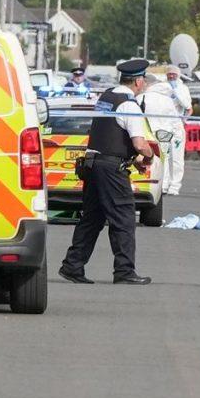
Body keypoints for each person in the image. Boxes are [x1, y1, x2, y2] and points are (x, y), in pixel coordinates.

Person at [59, 59, 154, 285]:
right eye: (145, 80)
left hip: (94, 164)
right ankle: (124, 271)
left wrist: (132, 159)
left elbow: (111, 134)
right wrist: (148, 156)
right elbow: (140, 143)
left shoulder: (107, 97)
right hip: (110, 169)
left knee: (92, 218)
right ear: (139, 81)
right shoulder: (129, 105)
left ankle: (72, 265)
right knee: (123, 218)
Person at [139, 74, 184, 194]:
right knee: (165, 158)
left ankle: (153, 184)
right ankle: (166, 185)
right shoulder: (167, 99)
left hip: (147, 134)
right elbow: (175, 120)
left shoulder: (141, 97)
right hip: (165, 134)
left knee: (150, 159)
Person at [163, 65, 192, 195]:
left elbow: (188, 107)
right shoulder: (163, 87)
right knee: (164, 156)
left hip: (177, 126)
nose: (171, 76)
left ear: (178, 75)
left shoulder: (183, 88)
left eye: (174, 74)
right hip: (163, 125)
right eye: (169, 74)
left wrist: (176, 92)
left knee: (176, 157)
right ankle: (164, 184)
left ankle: (175, 185)